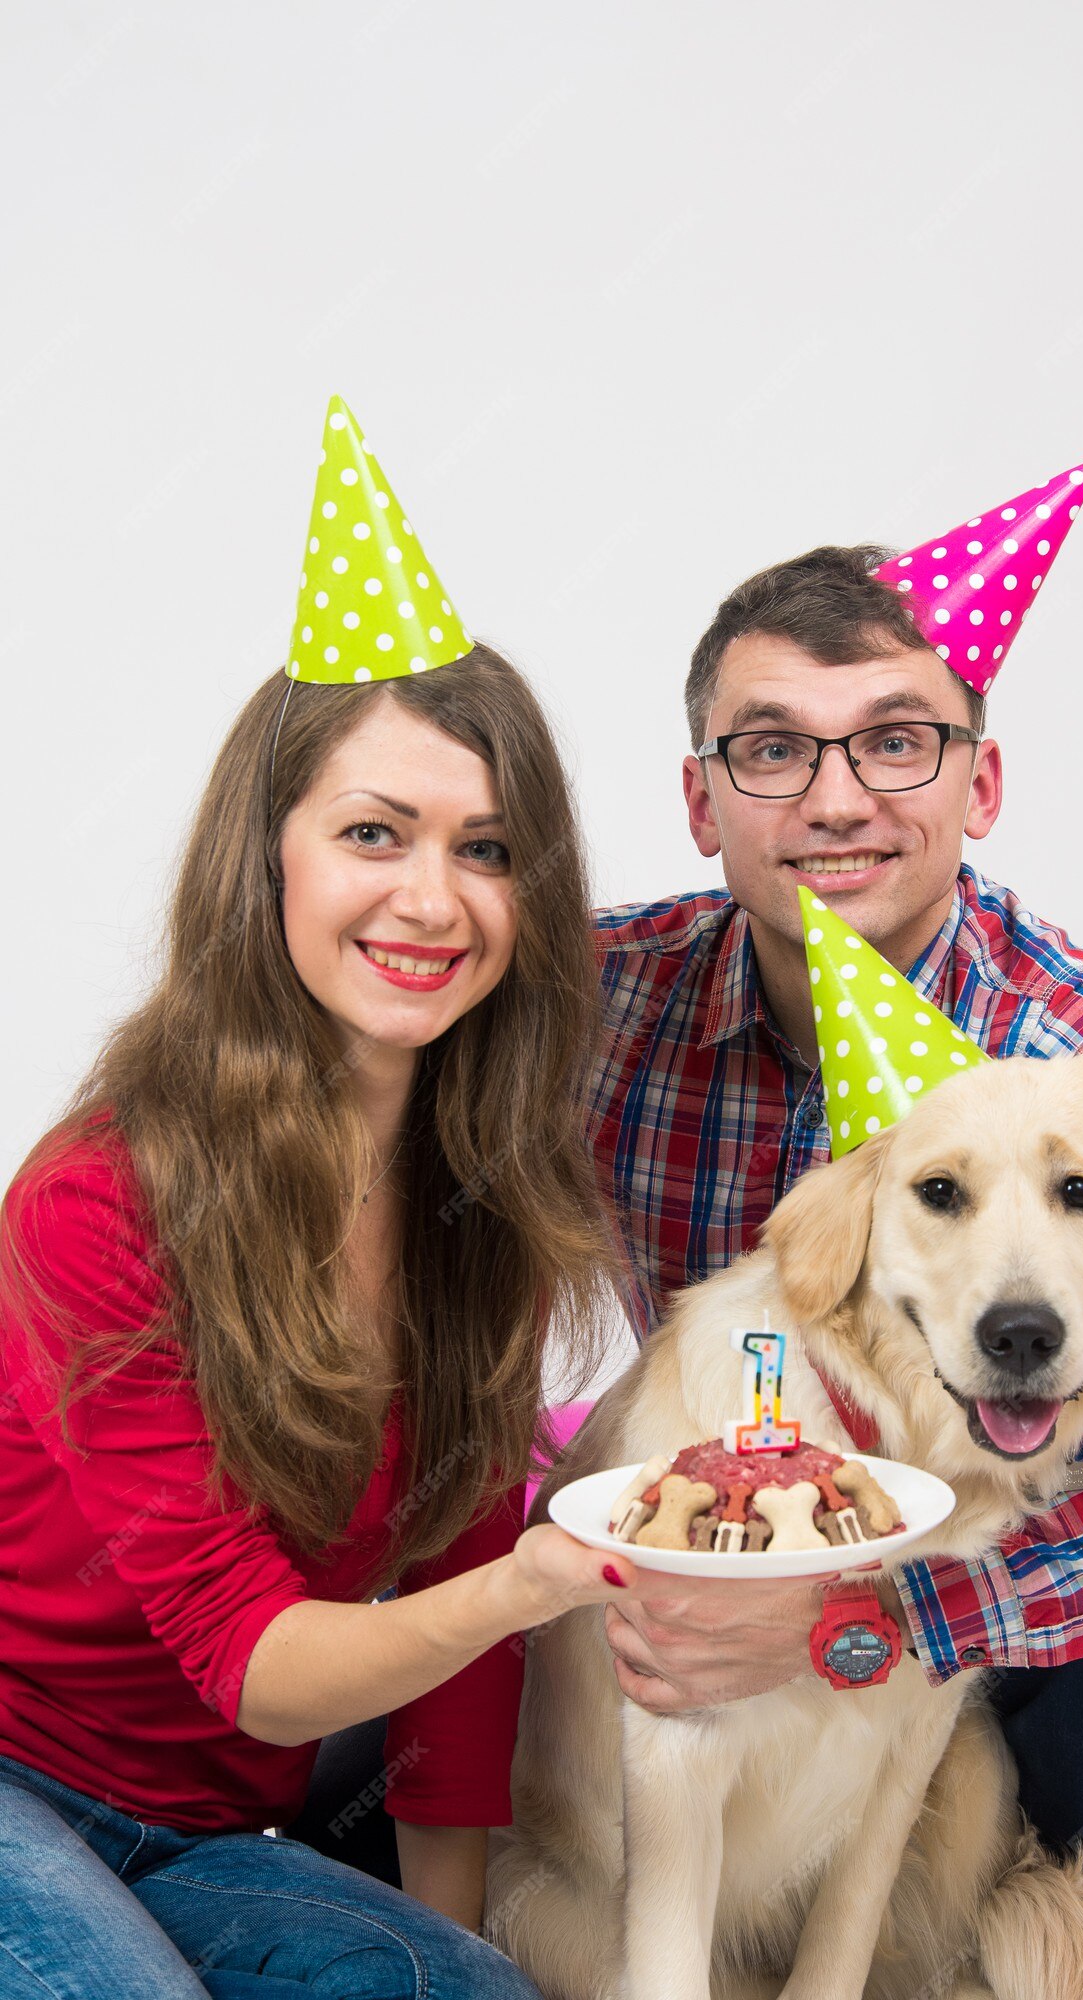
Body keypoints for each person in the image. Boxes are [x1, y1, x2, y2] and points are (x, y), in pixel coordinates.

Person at [584, 483, 1083, 1997]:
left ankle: (1029, 1882)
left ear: (978, 786)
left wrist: (883, 1610)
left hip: (983, 1626)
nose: (837, 802)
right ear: (702, 801)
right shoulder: (613, 1004)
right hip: (704, 1606)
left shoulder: (1082, 1041)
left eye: (896, 740)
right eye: (774, 749)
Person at [0, 397, 642, 2000]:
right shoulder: (101, 1196)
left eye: (488, 849)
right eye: (376, 833)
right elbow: (266, 1669)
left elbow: (443, 1637)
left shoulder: (475, 1197)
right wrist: (533, 1583)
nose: (434, 898)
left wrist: (459, 1944)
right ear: (267, 856)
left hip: (217, 1822)